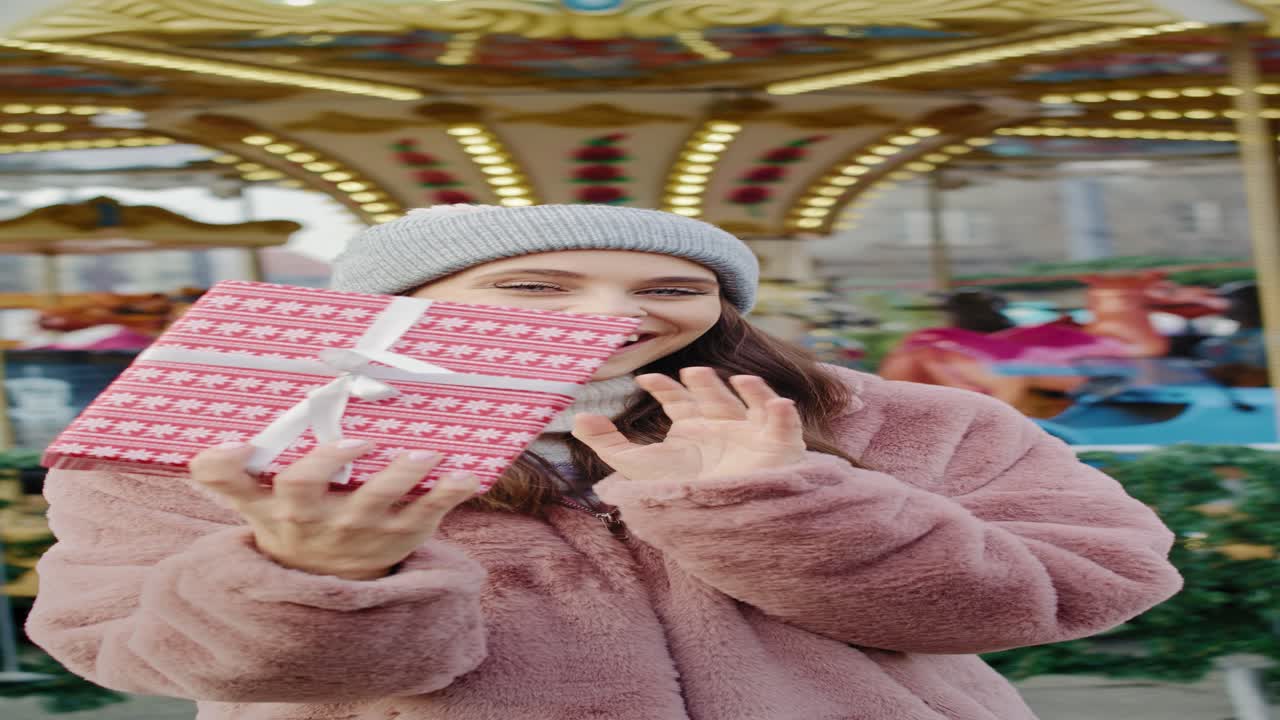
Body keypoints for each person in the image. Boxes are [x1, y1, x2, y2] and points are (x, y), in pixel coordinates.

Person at [27, 204, 1182, 720]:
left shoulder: (893, 418)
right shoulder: (208, 434)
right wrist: (315, 574)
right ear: (401, 308)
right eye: (534, 286)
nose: (611, 315)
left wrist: (781, 506)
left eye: (666, 289)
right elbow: (126, 649)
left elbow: (1090, 579)